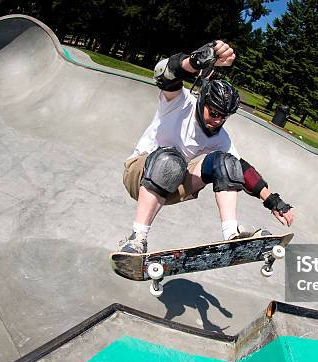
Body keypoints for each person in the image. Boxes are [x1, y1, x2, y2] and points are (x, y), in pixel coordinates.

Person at [119, 40, 294, 253]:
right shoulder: (179, 103)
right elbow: (163, 74)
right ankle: (137, 238)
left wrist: (274, 201)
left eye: (224, 117)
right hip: (137, 174)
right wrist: (193, 61)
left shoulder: (221, 138)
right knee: (170, 160)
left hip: (172, 186)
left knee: (228, 163)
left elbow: (243, 170)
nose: (218, 121)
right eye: (215, 113)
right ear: (203, 103)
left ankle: (231, 234)